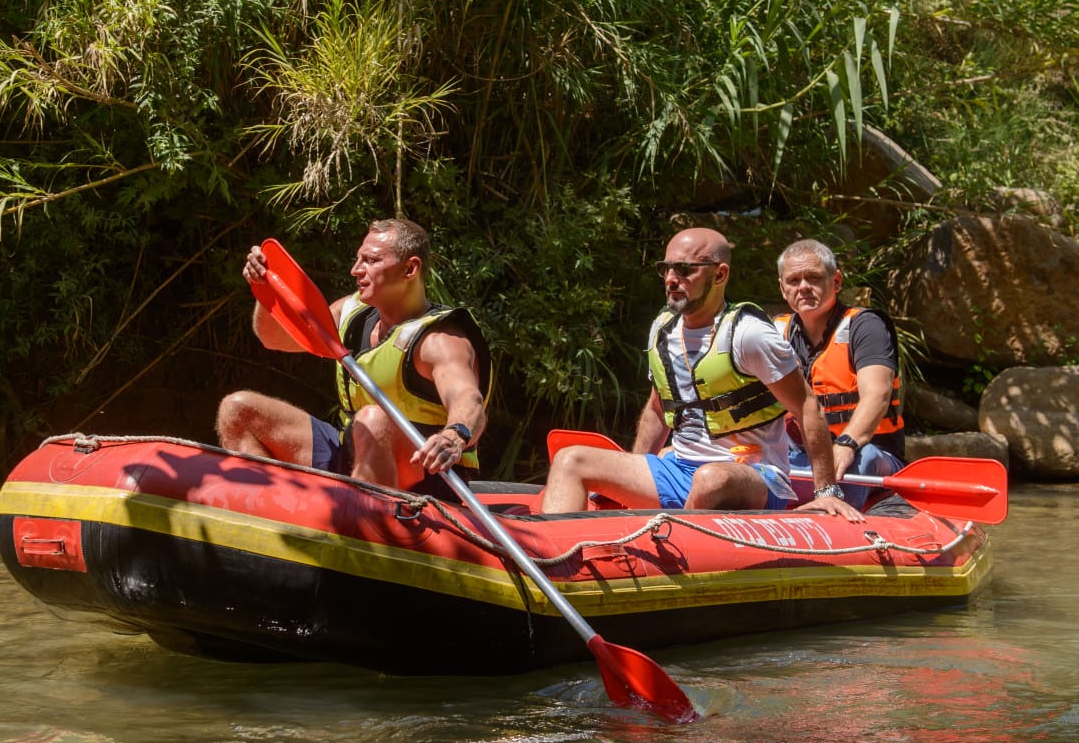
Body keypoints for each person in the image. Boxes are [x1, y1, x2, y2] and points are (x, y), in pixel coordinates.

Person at [541, 227, 860, 518]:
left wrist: (826, 491)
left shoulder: (749, 334)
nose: (670, 278)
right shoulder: (663, 329)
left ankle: (681, 542)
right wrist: (631, 473)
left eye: (684, 269)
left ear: (720, 275)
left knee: (710, 479)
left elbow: (807, 407)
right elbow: (657, 409)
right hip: (678, 469)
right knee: (570, 459)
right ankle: (551, 563)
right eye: (665, 268)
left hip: (753, 475)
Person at [217, 218, 491, 500]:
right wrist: (265, 290)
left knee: (372, 421)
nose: (355, 270)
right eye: (358, 259)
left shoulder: (440, 341)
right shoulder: (350, 313)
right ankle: (268, 517)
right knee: (237, 409)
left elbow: (468, 399)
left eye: (370, 261)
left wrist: (454, 436)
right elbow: (273, 339)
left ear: (410, 268)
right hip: (349, 446)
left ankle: (364, 526)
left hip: (425, 474)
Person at [774, 239, 906, 511]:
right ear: (782, 288)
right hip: (802, 456)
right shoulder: (775, 331)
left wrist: (847, 443)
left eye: (813, 278)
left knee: (862, 457)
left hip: (866, 452)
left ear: (835, 282)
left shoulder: (866, 326)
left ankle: (832, 520)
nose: (803, 287)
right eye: (793, 280)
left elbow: (877, 395)